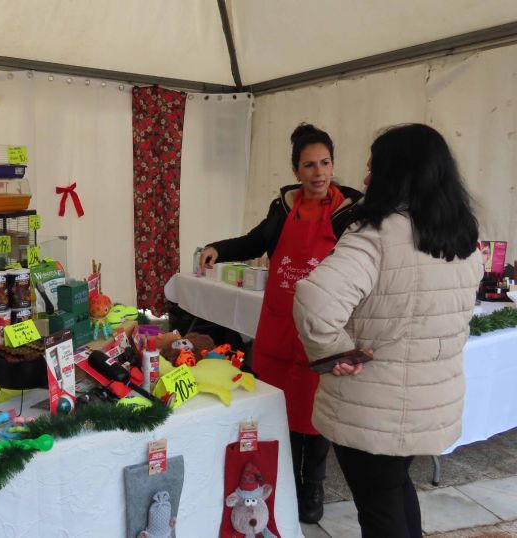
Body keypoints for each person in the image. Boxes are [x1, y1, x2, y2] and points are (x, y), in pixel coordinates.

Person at [292, 123, 483, 537]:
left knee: (380, 509)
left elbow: (315, 301)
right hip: (427, 401)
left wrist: (334, 353)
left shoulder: (376, 235)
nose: (365, 180)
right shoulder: (464, 238)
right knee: (394, 489)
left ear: (396, 174)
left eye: (372, 169)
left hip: (373, 405)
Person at [199, 123, 363, 523]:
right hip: (280, 325)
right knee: (280, 408)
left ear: (333, 165)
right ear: (296, 171)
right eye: (309, 165)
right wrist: (218, 248)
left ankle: (313, 486)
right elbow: (255, 241)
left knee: (317, 410)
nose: (318, 173)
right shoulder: (284, 208)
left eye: (325, 163)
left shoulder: (350, 214)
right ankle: (282, 482)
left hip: (322, 330)